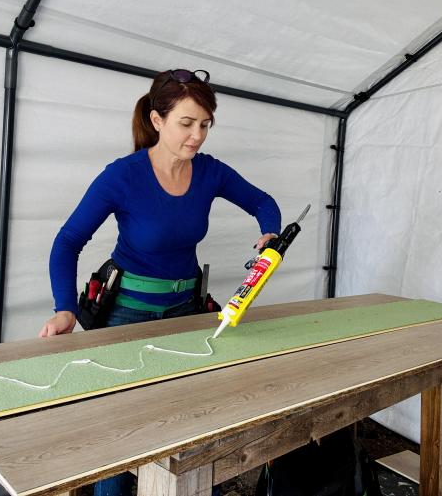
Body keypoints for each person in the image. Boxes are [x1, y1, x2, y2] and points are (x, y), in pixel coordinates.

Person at [39, 68, 281, 496]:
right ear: (156, 121)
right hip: (125, 315)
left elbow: (264, 202)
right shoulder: (123, 175)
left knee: (180, 419)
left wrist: (269, 233)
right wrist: (65, 308)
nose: (197, 136)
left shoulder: (210, 172)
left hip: (186, 310)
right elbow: (68, 242)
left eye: (205, 125)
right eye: (186, 124)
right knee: (117, 432)